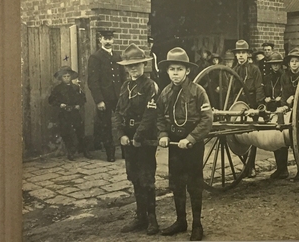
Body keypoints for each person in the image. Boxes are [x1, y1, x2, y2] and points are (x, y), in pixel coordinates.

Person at [157, 47, 213, 241]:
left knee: (194, 184)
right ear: (167, 71)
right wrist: (163, 134)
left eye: (179, 69)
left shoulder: (198, 92)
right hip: (174, 144)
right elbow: (160, 118)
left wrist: (190, 139)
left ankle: (197, 225)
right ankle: (181, 221)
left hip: (192, 144)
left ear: (187, 71)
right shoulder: (164, 93)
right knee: (176, 183)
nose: (175, 73)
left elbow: (207, 119)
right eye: (172, 69)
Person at [113, 44, 160, 235]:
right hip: (129, 138)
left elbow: (150, 114)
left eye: (137, 65)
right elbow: (117, 112)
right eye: (130, 66)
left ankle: (152, 220)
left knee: (147, 178)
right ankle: (140, 217)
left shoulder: (150, 86)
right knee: (134, 177)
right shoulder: (125, 86)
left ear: (144, 65)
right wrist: (121, 135)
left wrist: (138, 137)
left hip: (145, 138)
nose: (134, 69)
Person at [87, 29, 126, 162]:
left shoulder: (117, 56)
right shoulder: (95, 57)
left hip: (119, 96)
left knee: (124, 121)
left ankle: (126, 151)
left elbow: (123, 77)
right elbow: (93, 81)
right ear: (100, 40)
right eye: (105, 39)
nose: (108, 41)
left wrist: (124, 94)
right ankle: (110, 153)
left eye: (110, 39)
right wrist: (99, 100)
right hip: (105, 98)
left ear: (113, 40)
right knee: (106, 125)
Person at [232, 40, 265, 178]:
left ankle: (250, 166)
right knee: (241, 135)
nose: (240, 56)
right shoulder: (234, 70)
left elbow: (258, 88)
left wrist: (259, 106)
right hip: (239, 105)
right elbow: (231, 90)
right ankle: (246, 165)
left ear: (248, 54)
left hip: (251, 104)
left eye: (243, 53)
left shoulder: (254, 69)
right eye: (238, 53)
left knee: (250, 136)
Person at [277, 48, 299, 181]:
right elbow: (284, 93)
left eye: (297, 61)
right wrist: (284, 104)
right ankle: (290, 168)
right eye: (292, 61)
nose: (294, 64)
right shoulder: (285, 76)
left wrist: (295, 97)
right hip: (291, 111)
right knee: (288, 136)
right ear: (289, 64)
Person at [48, 66, 92, 161]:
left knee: (80, 131)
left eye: (68, 76)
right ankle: (70, 152)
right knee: (66, 132)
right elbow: (51, 100)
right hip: (64, 113)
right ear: (61, 78)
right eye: (64, 76)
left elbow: (82, 98)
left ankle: (85, 151)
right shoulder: (57, 89)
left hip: (75, 112)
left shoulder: (76, 88)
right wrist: (60, 104)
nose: (67, 78)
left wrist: (79, 105)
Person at [262, 52, 288, 179]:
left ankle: (284, 169)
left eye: (277, 64)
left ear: (281, 64)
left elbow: (288, 91)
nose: (275, 66)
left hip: (283, 108)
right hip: (271, 108)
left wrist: (280, 98)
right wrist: (266, 98)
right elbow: (264, 90)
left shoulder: (285, 76)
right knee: (274, 137)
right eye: (273, 64)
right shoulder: (267, 77)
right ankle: (280, 168)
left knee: (281, 136)